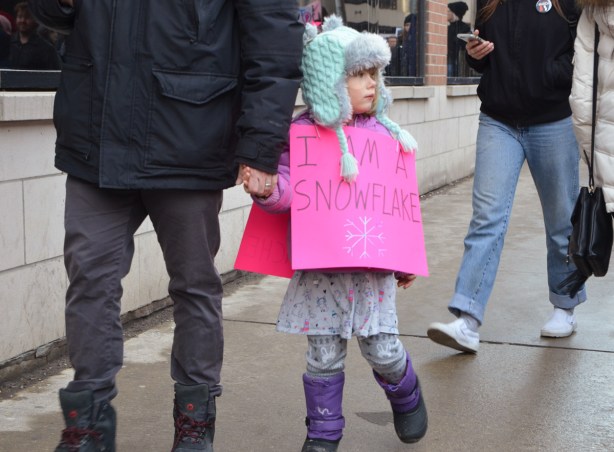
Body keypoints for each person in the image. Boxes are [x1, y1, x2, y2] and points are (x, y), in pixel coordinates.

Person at [28, 0, 303, 451]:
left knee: (194, 284)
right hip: (96, 139)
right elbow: (56, 15)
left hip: (189, 133)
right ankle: (88, 425)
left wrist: (260, 145)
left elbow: (274, 42)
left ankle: (195, 422)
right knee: (89, 281)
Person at [241, 16, 427, 452]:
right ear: (327, 83)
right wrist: (267, 189)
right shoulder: (304, 136)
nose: (370, 84)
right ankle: (323, 434)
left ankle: (407, 393)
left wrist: (403, 258)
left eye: (374, 75)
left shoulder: (387, 137)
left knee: (382, 349)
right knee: (323, 356)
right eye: (357, 75)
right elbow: (293, 194)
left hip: (370, 272)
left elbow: (396, 206)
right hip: (322, 273)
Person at [427, 0, 585, 353]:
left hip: (553, 121)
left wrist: (548, 74)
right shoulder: (492, 2)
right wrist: (476, 53)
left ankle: (564, 305)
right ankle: (467, 319)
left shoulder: (564, 3)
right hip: (498, 121)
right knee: (487, 218)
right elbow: (483, 60)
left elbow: (584, 49)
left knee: (561, 221)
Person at [569, 1, 614, 219]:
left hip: (607, 157)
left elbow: (583, 103)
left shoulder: (593, 14)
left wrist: (594, 162)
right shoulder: (592, 14)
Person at [10, 2, 58, 69]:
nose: (22, 21)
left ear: (36, 20)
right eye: (20, 16)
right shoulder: (7, 43)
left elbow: (53, 75)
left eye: (27, 17)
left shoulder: (46, 49)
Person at [447, 2, 471, 77]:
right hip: (448, 60)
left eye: (449, 11)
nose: (447, 13)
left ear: (454, 13)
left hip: (458, 61)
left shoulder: (465, 28)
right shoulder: (448, 28)